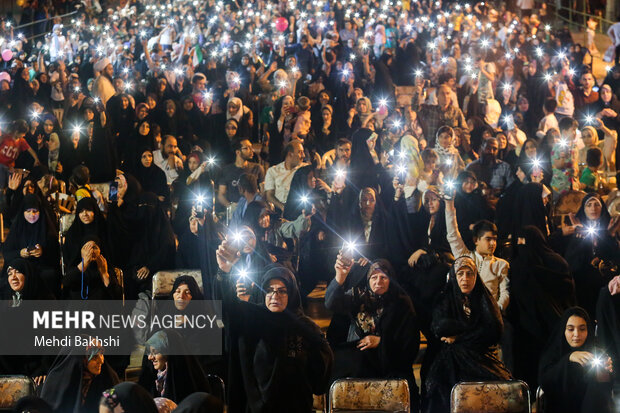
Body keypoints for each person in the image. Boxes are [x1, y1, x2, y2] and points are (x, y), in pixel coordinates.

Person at [215, 250, 333, 413]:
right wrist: (225, 272)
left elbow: (321, 368)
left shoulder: (306, 327)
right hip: (257, 408)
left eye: (282, 291)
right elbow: (228, 310)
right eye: (269, 290)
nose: (274, 295)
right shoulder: (252, 320)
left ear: (291, 293)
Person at [325, 257, 420, 411]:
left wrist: (381, 342)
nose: (378, 282)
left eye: (383, 277)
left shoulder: (401, 303)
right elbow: (331, 302)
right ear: (368, 279)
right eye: (374, 277)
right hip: (359, 359)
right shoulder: (358, 297)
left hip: (391, 361)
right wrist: (340, 277)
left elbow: (410, 343)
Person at [424, 256, 511, 413]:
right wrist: (473, 329)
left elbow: (494, 330)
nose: (465, 279)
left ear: (476, 277)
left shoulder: (483, 298)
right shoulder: (445, 298)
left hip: (482, 356)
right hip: (453, 359)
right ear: (454, 276)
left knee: (503, 385)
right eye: (460, 274)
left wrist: (458, 337)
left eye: (470, 274)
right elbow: (440, 327)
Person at [508, 225, 576, 391]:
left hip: (539, 328)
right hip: (540, 328)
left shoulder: (546, 264)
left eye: (523, 241)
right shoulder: (554, 263)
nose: (521, 246)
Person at [538, 307, 614, 413]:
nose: (576, 334)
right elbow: (545, 382)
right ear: (563, 330)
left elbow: (604, 393)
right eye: (570, 329)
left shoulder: (596, 353)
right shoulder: (554, 353)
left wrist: (605, 373)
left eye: (582, 329)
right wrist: (569, 359)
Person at [445, 198, 510, 312]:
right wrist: (449, 203)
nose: (493, 243)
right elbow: (452, 234)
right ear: (476, 240)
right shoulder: (465, 257)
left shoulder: (501, 264)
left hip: (490, 315)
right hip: (464, 314)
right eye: (488, 239)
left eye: (494, 239)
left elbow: (505, 293)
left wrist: (496, 311)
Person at [40, 342, 120, 413]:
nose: (101, 361)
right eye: (95, 357)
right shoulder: (56, 385)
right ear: (81, 358)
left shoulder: (106, 378)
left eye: (102, 354)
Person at [138, 330, 212, 403]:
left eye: (155, 352)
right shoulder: (152, 376)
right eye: (149, 353)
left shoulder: (184, 381)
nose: (150, 357)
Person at [62, 235, 122, 300]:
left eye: (94, 247)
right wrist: (83, 264)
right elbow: (66, 284)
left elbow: (117, 297)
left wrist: (104, 274)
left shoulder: (107, 268)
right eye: (86, 248)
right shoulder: (74, 268)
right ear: (81, 251)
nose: (91, 251)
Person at [217, 138, 264, 209]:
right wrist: (230, 206)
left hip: (252, 209)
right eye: (247, 148)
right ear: (238, 152)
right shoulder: (227, 170)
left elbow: (263, 191)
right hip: (234, 209)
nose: (252, 150)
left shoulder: (257, 168)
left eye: (251, 147)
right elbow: (221, 195)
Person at [264, 139, 306, 213]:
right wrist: (282, 207)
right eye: (300, 152)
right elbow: (269, 195)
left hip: (299, 209)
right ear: (290, 154)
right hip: (278, 209)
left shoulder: (304, 169)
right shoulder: (273, 171)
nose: (303, 155)